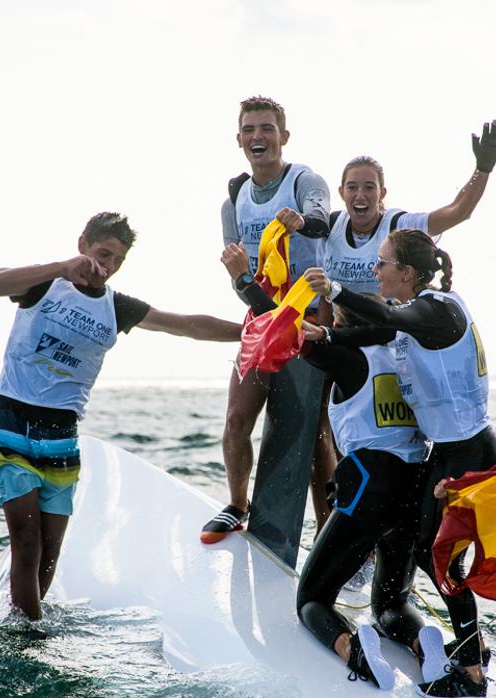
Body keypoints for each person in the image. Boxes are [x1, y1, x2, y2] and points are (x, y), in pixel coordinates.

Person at [0, 212, 242, 620]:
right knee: (27, 542)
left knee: (50, 551)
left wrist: (254, 329)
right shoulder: (44, 284)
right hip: (12, 422)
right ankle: (28, 637)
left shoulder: (116, 307)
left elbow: (187, 326)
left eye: (117, 261)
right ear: (82, 243)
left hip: (62, 432)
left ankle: (24, 621)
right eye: (103, 254)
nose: (106, 267)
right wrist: (61, 267)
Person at [220, 242, 447, 690]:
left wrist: (245, 281)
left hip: (370, 485)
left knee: (312, 598)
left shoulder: (345, 354)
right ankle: (427, 644)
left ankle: (354, 647)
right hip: (417, 486)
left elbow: (282, 328)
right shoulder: (404, 353)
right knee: (391, 603)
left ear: (341, 321)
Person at [302, 229, 496, 696]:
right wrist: (329, 331)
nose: (376, 269)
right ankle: (449, 646)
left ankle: (471, 668)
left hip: (468, 455)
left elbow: (376, 316)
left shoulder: (438, 309)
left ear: (407, 274)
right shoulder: (417, 318)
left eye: (383, 262)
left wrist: (332, 291)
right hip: (441, 458)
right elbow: (378, 328)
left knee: (443, 564)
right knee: (429, 563)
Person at [203, 95, 337, 544]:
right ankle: (237, 506)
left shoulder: (304, 179)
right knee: (237, 418)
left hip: (311, 313)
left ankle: (326, 529)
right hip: (262, 309)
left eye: (266, 129)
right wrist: (241, 276)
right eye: (249, 130)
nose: (258, 137)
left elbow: (320, 219)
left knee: (315, 431)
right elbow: (238, 273)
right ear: (239, 138)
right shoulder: (234, 201)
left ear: (284, 136)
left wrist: (299, 221)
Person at [324, 121, 496, 296]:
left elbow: (458, 212)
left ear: (382, 193)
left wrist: (483, 168)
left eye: (369, 187)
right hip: (339, 326)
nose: (360, 195)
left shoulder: (401, 226)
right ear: (341, 192)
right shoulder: (329, 225)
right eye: (352, 187)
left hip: (392, 323)